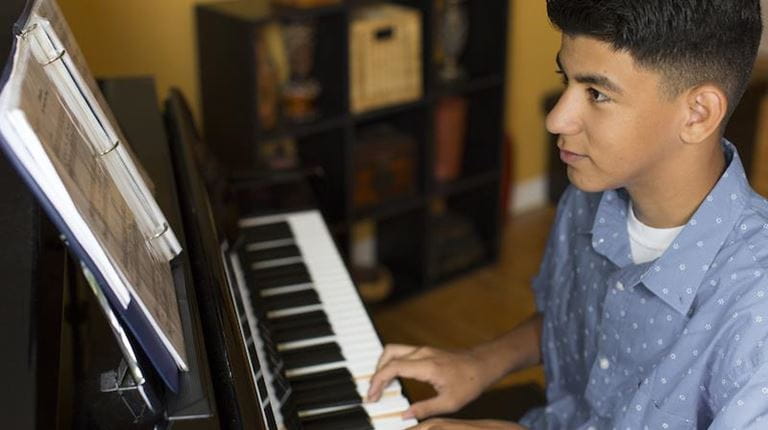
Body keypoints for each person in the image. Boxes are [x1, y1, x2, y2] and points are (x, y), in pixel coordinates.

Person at [366, 0, 766, 428]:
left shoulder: (756, 311)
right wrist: (480, 364)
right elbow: (570, 322)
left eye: (597, 93)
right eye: (566, 80)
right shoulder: (588, 194)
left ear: (698, 113)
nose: (557, 119)